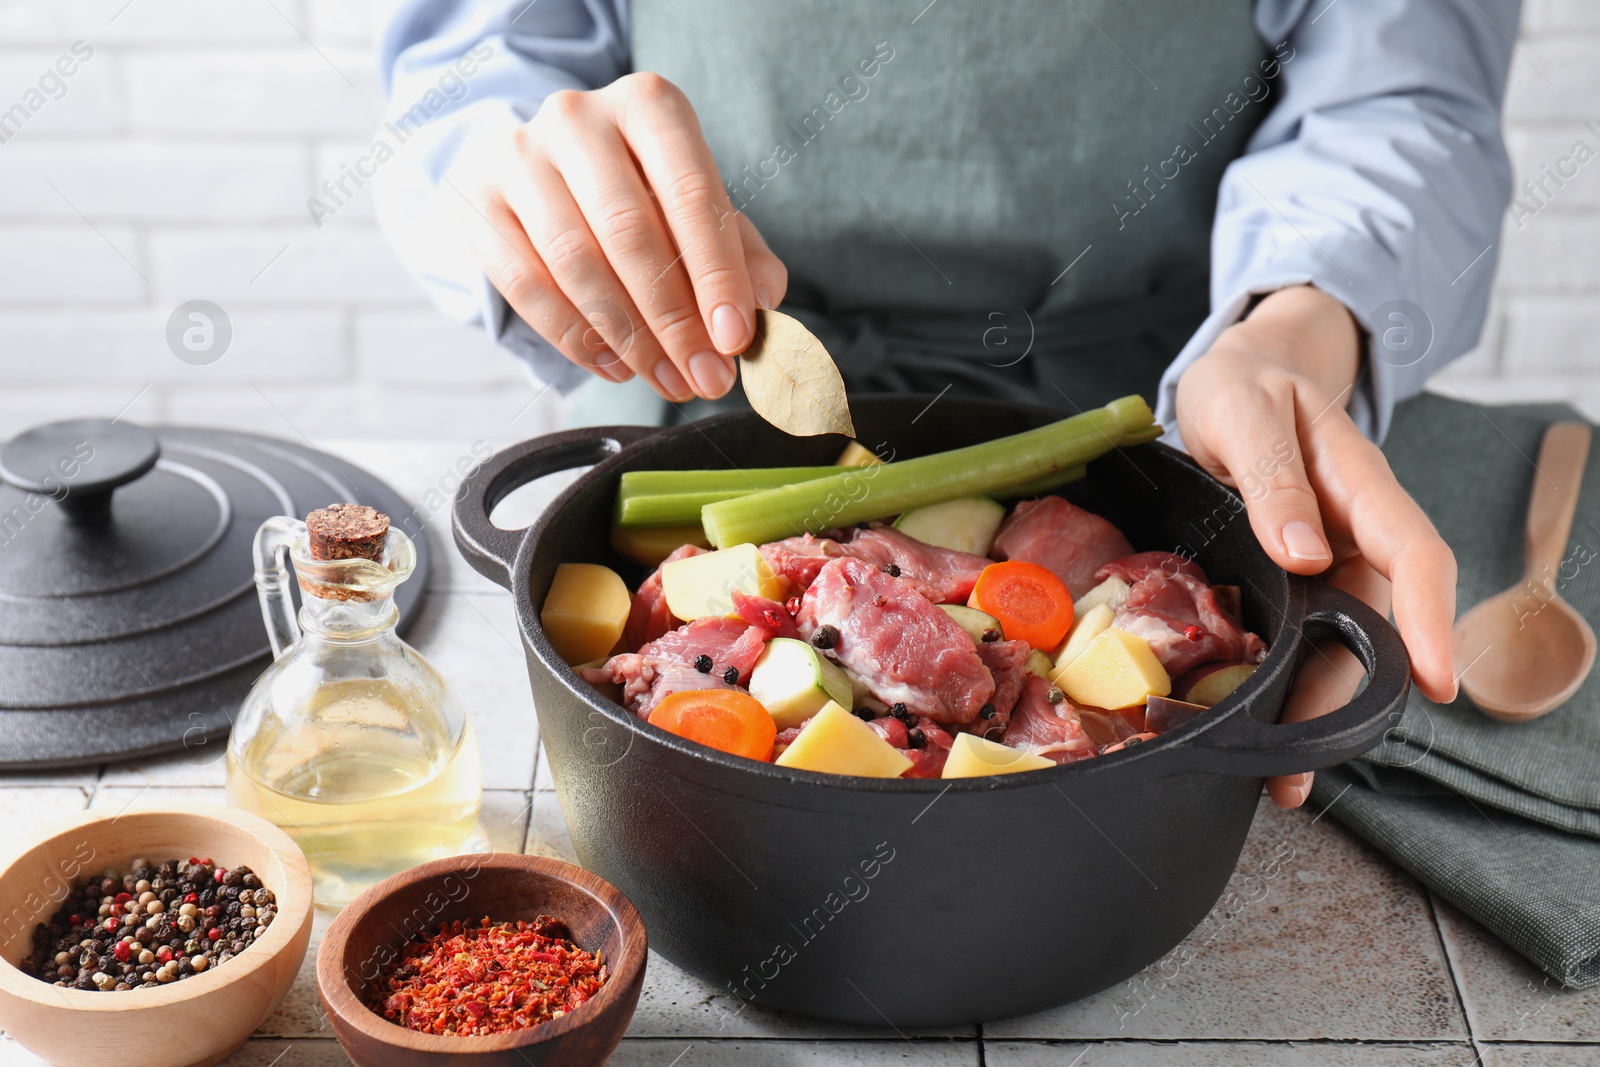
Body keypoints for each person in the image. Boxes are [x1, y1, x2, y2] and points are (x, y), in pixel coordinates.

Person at [373, 0, 1520, 806]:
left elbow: (1405, 94)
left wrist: (1297, 328)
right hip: (710, 395)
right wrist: (505, 167)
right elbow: (469, 65)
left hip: (1158, 420)